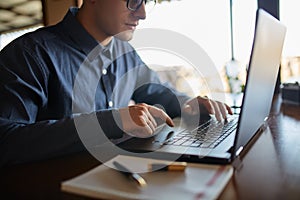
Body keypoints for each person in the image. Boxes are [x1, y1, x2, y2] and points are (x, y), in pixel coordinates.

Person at [0, 0, 232, 166]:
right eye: (132, 1)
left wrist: (189, 103)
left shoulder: (125, 52)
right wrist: (111, 121)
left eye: (145, 1)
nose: (142, 14)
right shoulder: (30, 55)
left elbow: (156, 91)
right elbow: (6, 141)